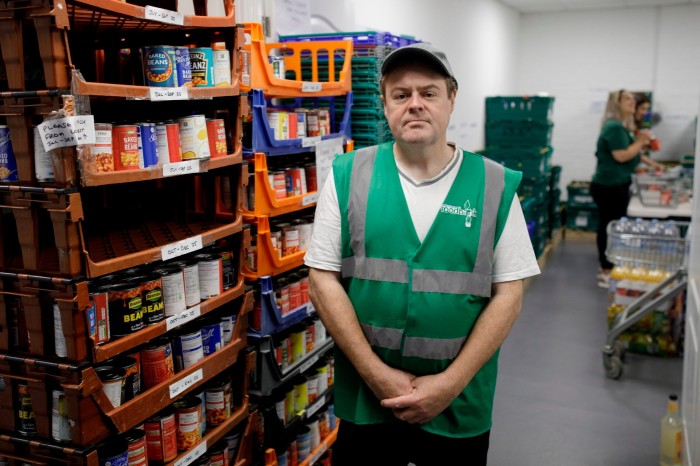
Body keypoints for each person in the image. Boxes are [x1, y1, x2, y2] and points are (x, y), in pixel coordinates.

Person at [304, 42, 541, 466]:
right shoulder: (347, 175)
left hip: (458, 403)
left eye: (428, 93)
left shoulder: (494, 185)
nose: (414, 105)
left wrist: (449, 384)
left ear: (452, 99)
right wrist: (378, 377)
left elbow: (510, 293)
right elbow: (322, 280)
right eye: (401, 94)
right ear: (385, 105)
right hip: (368, 401)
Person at [590, 89, 664, 288]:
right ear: (617, 103)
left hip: (617, 183)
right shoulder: (614, 127)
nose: (632, 102)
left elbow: (632, 154)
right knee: (609, 226)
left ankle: (609, 266)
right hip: (609, 185)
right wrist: (640, 141)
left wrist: (649, 162)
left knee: (612, 225)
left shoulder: (621, 127)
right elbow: (621, 156)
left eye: (633, 99)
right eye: (627, 99)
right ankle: (605, 270)